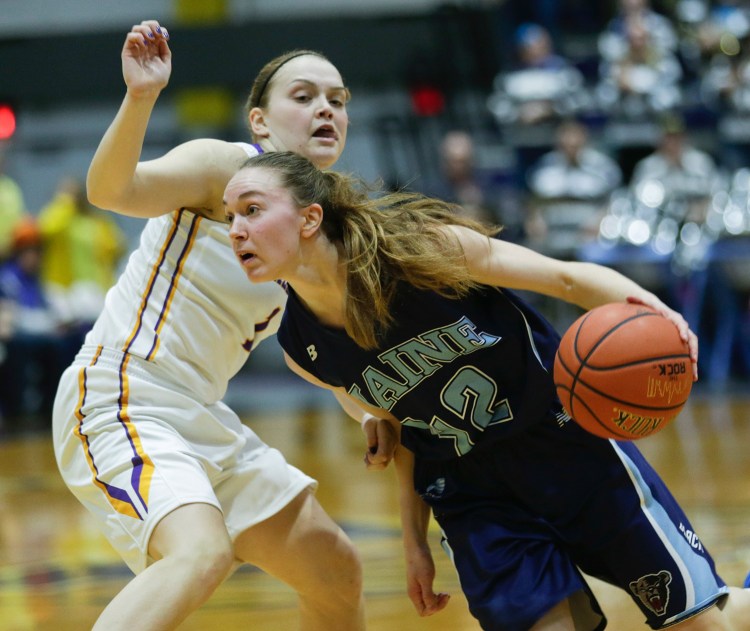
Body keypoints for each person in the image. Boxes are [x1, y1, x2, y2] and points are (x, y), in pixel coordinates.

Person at [223, 150, 750, 630]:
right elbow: (404, 435)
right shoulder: (301, 347)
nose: (235, 230)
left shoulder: (422, 251)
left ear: (310, 218)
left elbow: (564, 278)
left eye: (251, 210)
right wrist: (415, 546)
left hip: (569, 450)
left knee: (702, 624)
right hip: (473, 494)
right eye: (229, 218)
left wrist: (651, 309)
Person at [52, 21, 378, 631]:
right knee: (200, 555)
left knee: (334, 569)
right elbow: (111, 189)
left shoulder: (321, 229)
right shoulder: (226, 167)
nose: (326, 109)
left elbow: (316, 353)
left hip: (202, 414)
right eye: (304, 96)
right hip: (123, 394)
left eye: (337, 101)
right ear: (260, 121)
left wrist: (368, 413)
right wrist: (141, 97)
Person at [38, 176, 127, 343]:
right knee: (67, 336)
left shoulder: (96, 220)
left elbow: (115, 245)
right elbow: (47, 229)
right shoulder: (62, 216)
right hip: (64, 285)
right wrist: (64, 203)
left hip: (95, 284)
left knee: (95, 333)